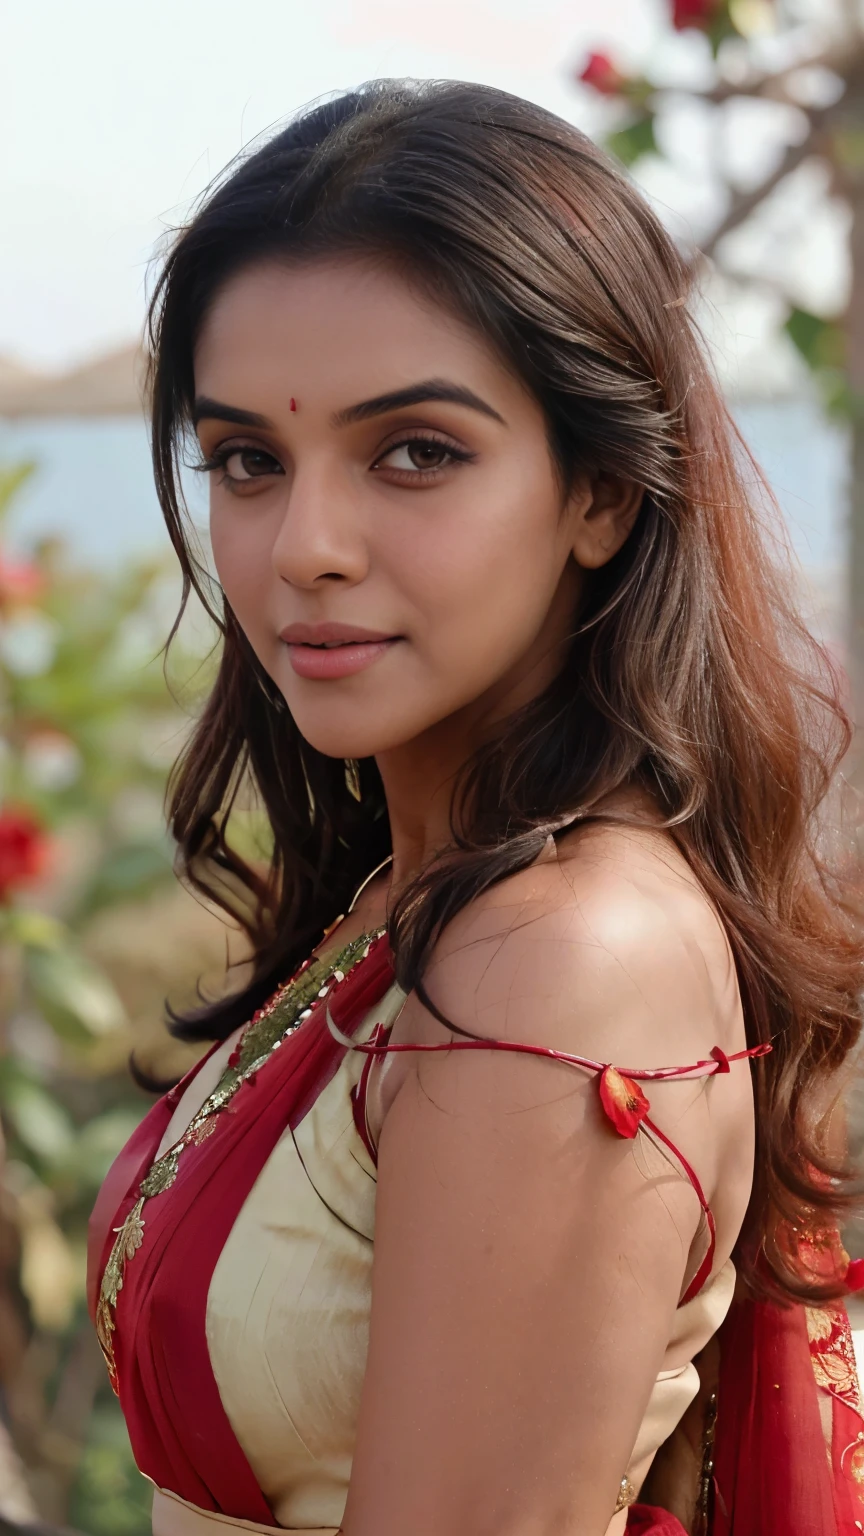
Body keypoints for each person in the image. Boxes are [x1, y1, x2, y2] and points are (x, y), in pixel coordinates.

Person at [87, 79, 864, 1535]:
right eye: (248, 459)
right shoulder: (428, 890)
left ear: (602, 496)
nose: (303, 547)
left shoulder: (565, 961)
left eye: (415, 454)